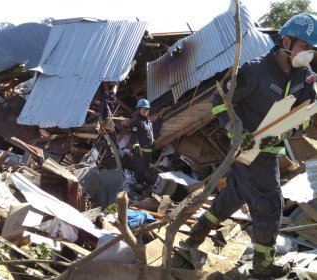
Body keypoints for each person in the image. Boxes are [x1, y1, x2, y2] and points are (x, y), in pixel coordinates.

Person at [184, 13, 317, 279]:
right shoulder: (253, 71)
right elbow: (220, 102)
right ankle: (263, 267)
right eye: (306, 47)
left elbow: (305, 117)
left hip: (269, 151)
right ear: (286, 41)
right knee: (270, 204)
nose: (310, 54)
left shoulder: (306, 78)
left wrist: (285, 132)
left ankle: (195, 236)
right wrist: (235, 131)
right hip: (245, 149)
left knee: (235, 194)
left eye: (314, 49)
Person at [130, 99, 155, 190]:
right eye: (143, 109)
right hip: (140, 152)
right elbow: (134, 136)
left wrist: (153, 145)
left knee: (145, 169)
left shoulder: (148, 121)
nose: (145, 111)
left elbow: (150, 134)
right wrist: (137, 147)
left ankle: (142, 186)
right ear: (139, 109)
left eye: (147, 109)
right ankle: (137, 189)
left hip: (148, 151)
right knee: (139, 170)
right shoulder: (136, 121)